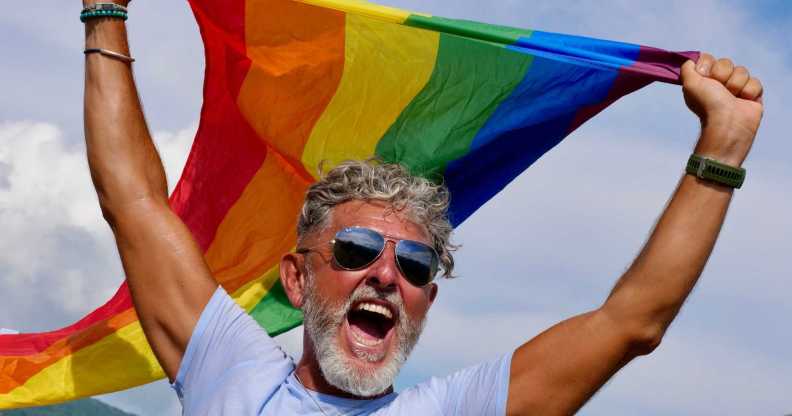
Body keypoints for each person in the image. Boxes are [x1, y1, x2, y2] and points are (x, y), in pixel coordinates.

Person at [81, 1, 763, 415]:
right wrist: (105, 9)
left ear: (427, 300)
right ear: (298, 278)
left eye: (413, 263)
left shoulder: (451, 408)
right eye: (354, 251)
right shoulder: (230, 373)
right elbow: (135, 202)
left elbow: (631, 322)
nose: (386, 274)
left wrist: (723, 147)